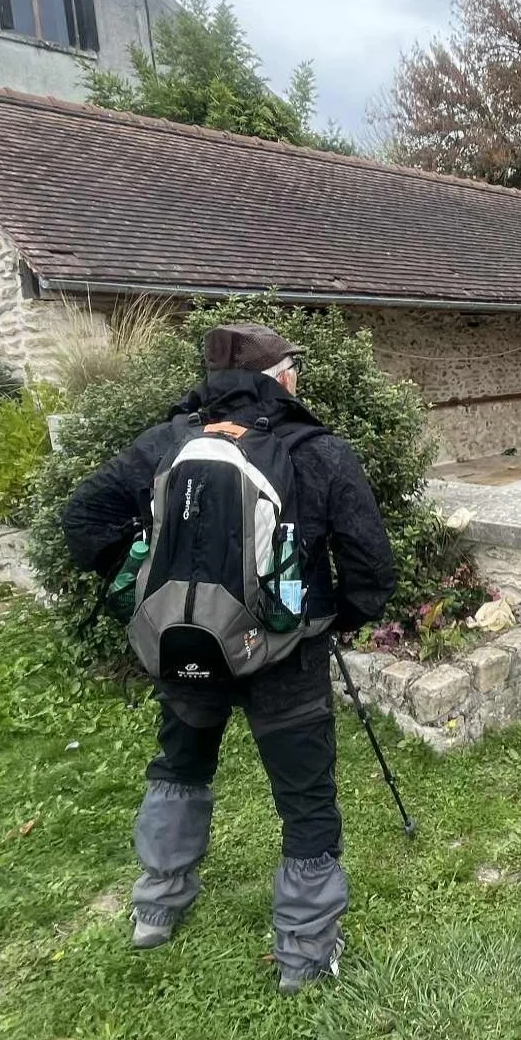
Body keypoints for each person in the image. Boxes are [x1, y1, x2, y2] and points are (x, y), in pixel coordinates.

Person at [62, 322, 396, 994]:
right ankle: (303, 953)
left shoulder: (166, 443)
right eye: (292, 366)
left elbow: (83, 518)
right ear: (278, 377)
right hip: (285, 658)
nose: (297, 375)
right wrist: (335, 618)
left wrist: (146, 591)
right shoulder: (317, 452)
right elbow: (371, 567)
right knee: (305, 802)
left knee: (179, 766)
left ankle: (158, 904)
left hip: (184, 646)